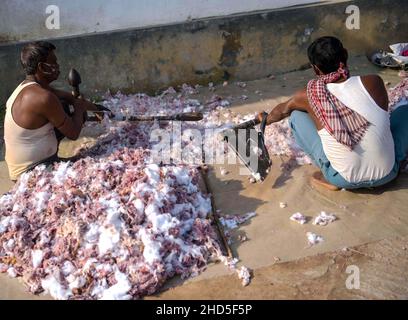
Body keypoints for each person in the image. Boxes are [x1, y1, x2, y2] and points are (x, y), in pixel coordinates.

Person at [260, 36, 408, 190]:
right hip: (388, 174)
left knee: (296, 116)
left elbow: (282, 110)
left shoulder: (308, 96)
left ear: (315, 69)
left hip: (341, 179)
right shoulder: (373, 82)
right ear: (345, 54)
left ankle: (328, 174)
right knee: (404, 110)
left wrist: (265, 119)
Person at [3, 41, 98, 181]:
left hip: (22, 167)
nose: (58, 67)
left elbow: (68, 97)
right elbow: (73, 133)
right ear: (42, 67)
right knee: (93, 169)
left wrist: (96, 109)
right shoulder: (43, 97)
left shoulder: (29, 87)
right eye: (54, 62)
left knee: (63, 105)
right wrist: (79, 108)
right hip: (30, 172)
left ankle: (56, 158)